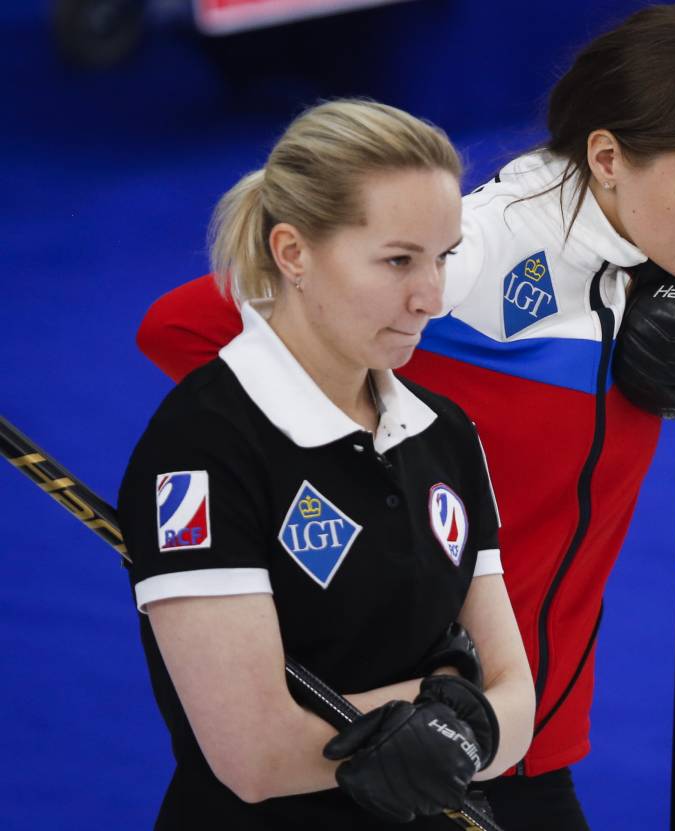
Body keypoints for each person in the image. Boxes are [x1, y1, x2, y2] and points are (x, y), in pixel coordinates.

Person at [134, 5, 675, 828]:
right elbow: (180, 330)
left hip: (525, 736)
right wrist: (377, 447)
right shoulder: (479, 248)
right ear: (607, 157)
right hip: (388, 732)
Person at [118, 99, 534, 829]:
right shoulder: (200, 449)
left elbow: (519, 704)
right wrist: (447, 708)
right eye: (399, 259)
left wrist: (430, 725)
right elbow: (254, 756)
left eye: (443, 257)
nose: (430, 297)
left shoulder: (445, 431)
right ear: (293, 252)